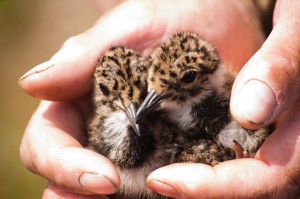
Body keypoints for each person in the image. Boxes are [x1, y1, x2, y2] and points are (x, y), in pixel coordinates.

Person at [19, 0, 300, 198]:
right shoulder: (140, 118)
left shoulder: (221, 98)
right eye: (150, 88)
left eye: (143, 93)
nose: (142, 107)